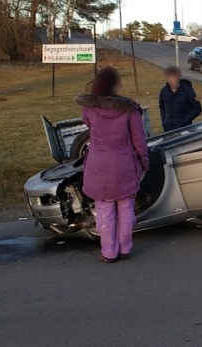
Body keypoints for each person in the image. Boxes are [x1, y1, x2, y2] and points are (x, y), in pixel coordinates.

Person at [76, 67, 150, 263]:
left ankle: (109, 252)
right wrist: (144, 163)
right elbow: (139, 141)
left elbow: (89, 127)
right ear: (113, 85)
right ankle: (125, 248)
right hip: (124, 166)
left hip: (98, 166)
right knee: (126, 207)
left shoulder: (89, 109)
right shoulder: (130, 110)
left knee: (104, 210)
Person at [158, 66, 201, 132]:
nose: (173, 80)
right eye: (170, 77)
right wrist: (164, 120)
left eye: (174, 77)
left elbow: (197, 109)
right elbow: (161, 106)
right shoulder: (164, 91)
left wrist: (185, 121)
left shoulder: (187, 90)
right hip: (168, 129)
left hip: (184, 129)